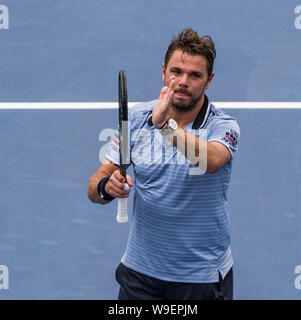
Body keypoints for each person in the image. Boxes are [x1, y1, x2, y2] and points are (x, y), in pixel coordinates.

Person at [87, 28, 240, 300]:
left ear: (209, 81)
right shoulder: (136, 119)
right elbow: (94, 186)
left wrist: (165, 127)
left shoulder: (223, 125)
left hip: (200, 276)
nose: (183, 81)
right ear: (163, 72)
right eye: (176, 72)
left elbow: (212, 161)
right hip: (141, 274)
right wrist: (106, 187)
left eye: (195, 75)